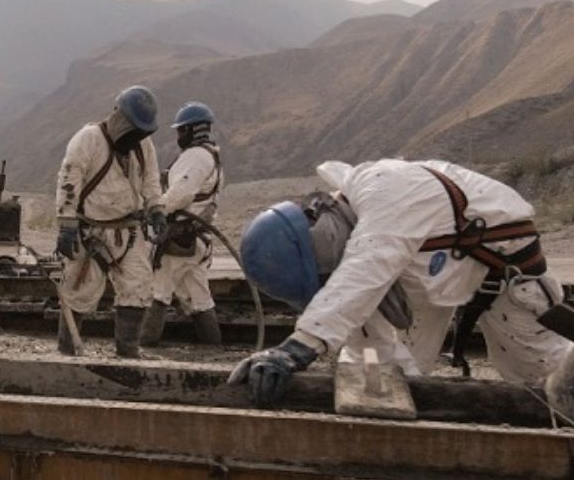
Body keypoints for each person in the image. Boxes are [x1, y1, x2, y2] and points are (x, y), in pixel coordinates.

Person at [230, 158, 574, 407]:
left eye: (324, 281)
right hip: (428, 280)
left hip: (503, 275)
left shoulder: (386, 188)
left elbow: (365, 271)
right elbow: (359, 320)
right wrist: (373, 395)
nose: (327, 286)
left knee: (551, 384)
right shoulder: (356, 256)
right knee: (383, 376)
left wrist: (297, 348)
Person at [55, 86, 165, 358]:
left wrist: (156, 209)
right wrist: (66, 223)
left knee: (137, 286)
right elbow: (69, 180)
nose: (135, 136)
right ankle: (68, 350)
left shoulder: (143, 147)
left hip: (129, 231)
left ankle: (128, 350)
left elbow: (151, 181)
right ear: (118, 116)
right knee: (79, 291)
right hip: (90, 233)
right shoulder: (89, 139)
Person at [142, 101, 224, 346]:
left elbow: (181, 194)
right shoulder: (212, 156)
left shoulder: (196, 156)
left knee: (158, 290)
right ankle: (213, 347)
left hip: (179, 239)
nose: (178, 135)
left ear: (190, 129)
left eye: (180, 130)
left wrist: (155, 210)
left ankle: (144, 344)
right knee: (199, 297)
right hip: (196, 240)